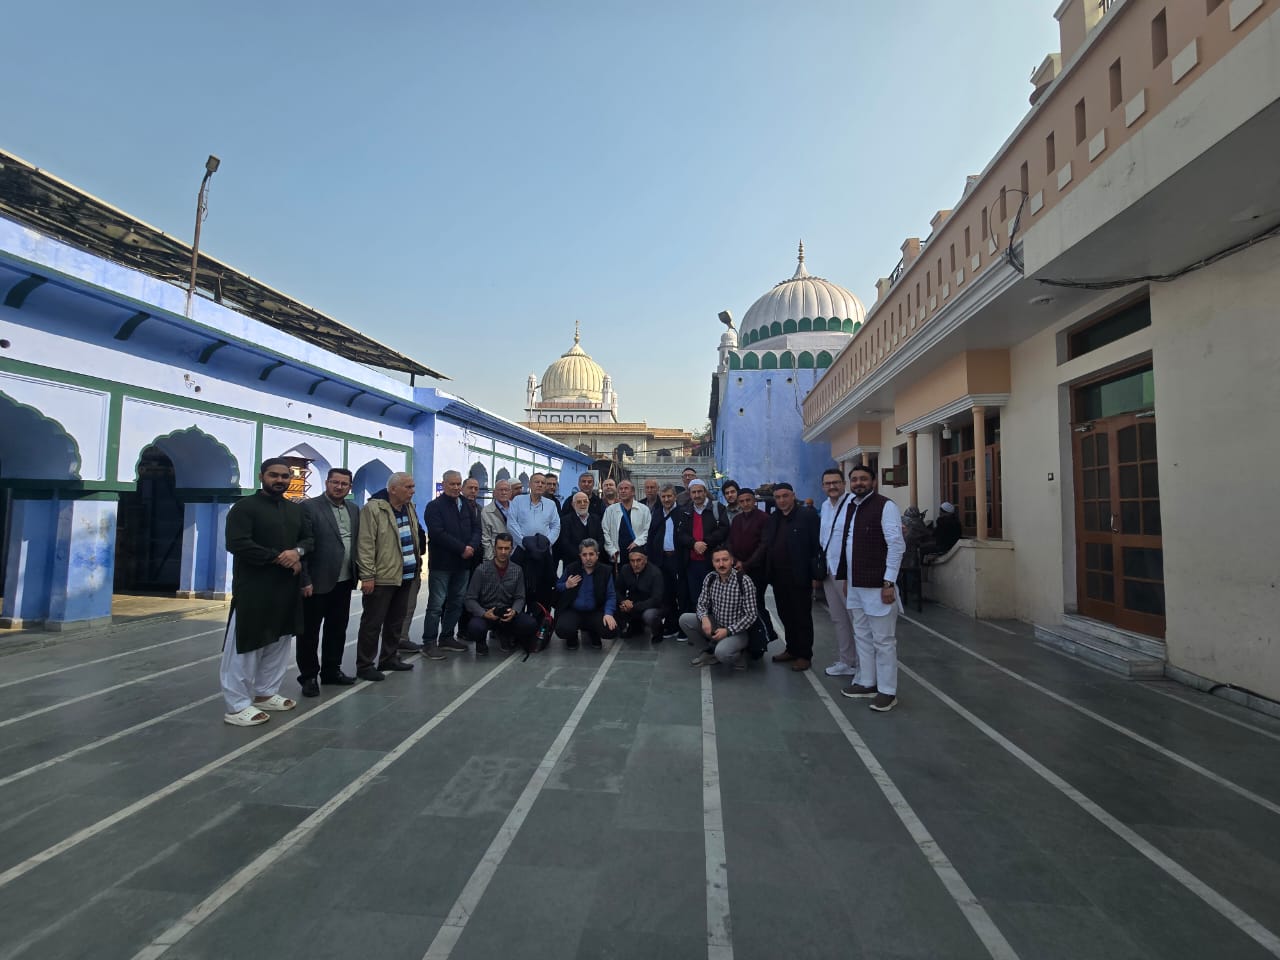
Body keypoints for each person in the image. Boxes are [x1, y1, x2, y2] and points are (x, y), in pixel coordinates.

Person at [220, 458, 314, 726]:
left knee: (279, 640)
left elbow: (309, 539)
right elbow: (237, 543)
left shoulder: (294, 509)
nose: (280, 480)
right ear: (262, 476)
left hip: (286, 587)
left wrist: (297, 552)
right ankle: (237, 706)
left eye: (285, 476)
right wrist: (279, 558)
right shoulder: (245, 508)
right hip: (254, 588)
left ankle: (266, 693)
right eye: (274, 475)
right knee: (247, 645)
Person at [839, 463, 906, 712]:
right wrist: (847, 580)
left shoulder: (885, 506)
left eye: (863, 479)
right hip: (856, 585)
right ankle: (867, 682)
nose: (858, 483)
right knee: (862, 636)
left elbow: (896, 545)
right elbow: (849, 545)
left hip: (878, 586)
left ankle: (887, 691)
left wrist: (889, 582)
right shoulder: (851, 506)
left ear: (873, 481)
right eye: (854, 479)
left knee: (884, 640)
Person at [297, 468, 360, 697]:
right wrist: (305, 580)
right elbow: (303, 544)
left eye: (344, 484)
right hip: (316, 582)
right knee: (309, 633)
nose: (339, 487)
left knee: (337, 629)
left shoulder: (353, 509)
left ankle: (331, 671)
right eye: (335, 482)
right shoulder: (309, 507)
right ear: (327, 483)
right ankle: (308, 677)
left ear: (350, 487)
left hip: (344, 580)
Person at [355, 471, 422, 681]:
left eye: (413, 486)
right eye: (408, 487)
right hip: (383, 576)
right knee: (372, 623)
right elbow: (365, 544)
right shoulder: (374, 509)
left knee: (395, 621)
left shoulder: (409, 507)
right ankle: (365, 665)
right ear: (393, 489)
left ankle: (389, 657)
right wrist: (367, 575)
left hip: (406, 575)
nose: (413, 491)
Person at [764, 482, 822, 672]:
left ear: (793, 495)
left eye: (785, 496)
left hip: (800, 575)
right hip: (778, 576)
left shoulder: (807, 516)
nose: (781, 500)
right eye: (778, 497)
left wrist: (815, 575)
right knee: (785, 614)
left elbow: (816, 545)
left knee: (801, 616)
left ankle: (804, 655)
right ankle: (791, 649)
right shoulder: (774, 518)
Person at [422, 470, 479, 655]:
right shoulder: (434, 507)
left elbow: (476, 528)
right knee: (436, 605)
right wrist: (462, 548)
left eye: (458, 484)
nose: (455, 487)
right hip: (442, 565)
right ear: (444, 484)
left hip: (463, 565)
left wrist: (472, 546)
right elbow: (438, 533)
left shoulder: (466, 505)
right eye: (452, 484)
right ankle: (429, 642)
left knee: (456, 602)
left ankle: (446, 637)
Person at [683, 546, 759, 669]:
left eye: (725, 560)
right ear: (713, 563)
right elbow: (701, 603)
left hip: (737, 631)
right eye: (717, 561)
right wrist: (704, 618)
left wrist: (728, 631)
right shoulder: (710, 578)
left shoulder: (744, 581)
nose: (721, 564)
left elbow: (751, 615)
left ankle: (739, 655)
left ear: (732, 561)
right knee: (685, 619)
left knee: (722, 653)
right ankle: (709, 652)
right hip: (717, 624)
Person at [463, 532, 537, 655]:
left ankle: (506, 634)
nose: (503, 552)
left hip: (507, 613)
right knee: (475, 627)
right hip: (486, 613)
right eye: (500, 548)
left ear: (511, 549)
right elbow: (470, 599)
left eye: (506, 548)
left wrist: (514, 611)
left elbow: (520, 597)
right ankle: (480, 641)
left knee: (530, 624)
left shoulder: (517, 570)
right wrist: (483, 613)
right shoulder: (481, 570)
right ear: (495, 549)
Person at [817, 468, 857, 678]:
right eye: (827, 483)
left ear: (844, 484)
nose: (831, 487)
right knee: (838, 618)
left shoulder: (854, 504)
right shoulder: (825, 506)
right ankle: (846, 661)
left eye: (835, 482)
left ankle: (864, 665)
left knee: (856, 619)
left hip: (847, 572)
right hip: (829, 569)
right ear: (823, 486)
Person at [507, 471, 561, 619]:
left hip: (543, 554)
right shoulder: (518, 501)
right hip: (522, 551)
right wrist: (525, 543)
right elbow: (512, 523)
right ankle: (516, 622)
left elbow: (556, 526)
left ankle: (538, 623)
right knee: (520, 589)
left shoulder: (550, 504)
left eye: (543, 483)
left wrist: (546, 543)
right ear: (530, 484)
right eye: (537, 482)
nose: (540, 485)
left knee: (541, 591)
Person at [675, 479, 730, 622]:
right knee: (696, 597)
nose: (697, 495)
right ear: (690, 494)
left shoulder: (717, 508)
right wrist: (694, 544)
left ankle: (717, 626)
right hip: (692, 563)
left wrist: (705, 542)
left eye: (700, 491)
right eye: (694, 492)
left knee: (715, 597)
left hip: (712, 563)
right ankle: (700, 627)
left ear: (705, 492)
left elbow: (723, 529)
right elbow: (680, 534)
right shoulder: (685, 511)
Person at [728, 487, 777, 644]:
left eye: (748, 500)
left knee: (756, 604)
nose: (745, 504)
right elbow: (730, 542)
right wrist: (735, 560)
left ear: (754, 500)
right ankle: (748, 639)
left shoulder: (764, 518)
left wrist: (747, 564)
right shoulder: (737, 520)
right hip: (738, 568)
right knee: (741, 605)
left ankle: (766, 636)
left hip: (757, 570)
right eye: (742, 501)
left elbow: (764, 545)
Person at [554, 538, 617, 649]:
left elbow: (611, 595)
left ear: (597, 555)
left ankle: (593, 632)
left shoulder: (605, 571)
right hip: (573, 611)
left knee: (610, 630)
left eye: (591, 554)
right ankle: (572, 636)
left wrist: (608, 613)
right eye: (584, 555)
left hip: (595, 611)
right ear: (580, 556)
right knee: (562, 629)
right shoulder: (571, 568)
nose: (588, 558)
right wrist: (566, 585)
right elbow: (558, 586)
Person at [646, 483, 683, 639]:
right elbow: (651, 535)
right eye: (664, 496)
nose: (666, 499)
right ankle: (671, 624)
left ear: (675, 496)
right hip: (661, 560)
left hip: (678, 559)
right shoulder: (656, 513)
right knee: (666, 595)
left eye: (669, 496)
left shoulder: (682, 513)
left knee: (681, 593)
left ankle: (683, 626)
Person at [615, 546, 664, 642]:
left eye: (638, 560)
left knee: (649, 615)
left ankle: (658, 632)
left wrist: (634, 606)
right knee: (613, 604)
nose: (635, 564)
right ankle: (632, 626)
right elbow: (616, 590)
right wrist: (623, 601)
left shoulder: (655, 573)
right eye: (632, 561)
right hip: (632, 604)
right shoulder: (625, 569)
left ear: (645, 560)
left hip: (651, 606)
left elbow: (656, 599)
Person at [602, 479, 651, 567]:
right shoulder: (610, 510)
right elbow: (605, 531)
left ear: (633, 492)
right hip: (618, 554)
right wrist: (611, 550)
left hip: (637, 553)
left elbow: (648, 530)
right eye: (620, 489)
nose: (623, 491)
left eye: (626, 488)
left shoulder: (643, 509)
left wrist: (637, 542)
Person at [558, 490, 605, 570]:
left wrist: (592, 555)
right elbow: (565, 543)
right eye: (579, 502)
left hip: (594, 564)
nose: (583, 504)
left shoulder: (596, 519)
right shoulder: (565, 521)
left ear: (589, 503)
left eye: (585, 501)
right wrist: (582, 556)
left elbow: (601, 539)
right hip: (573, 563)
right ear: (573, 505)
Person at [480, 478, 513, 561]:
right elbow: (486, 539)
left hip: (514, 556)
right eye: (500, 490)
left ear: (510, 493)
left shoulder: (517, 508)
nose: (503, 492)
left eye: (506, 490)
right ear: (494, 493)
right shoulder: (486, 511)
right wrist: (491, 559)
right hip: (495, 557)